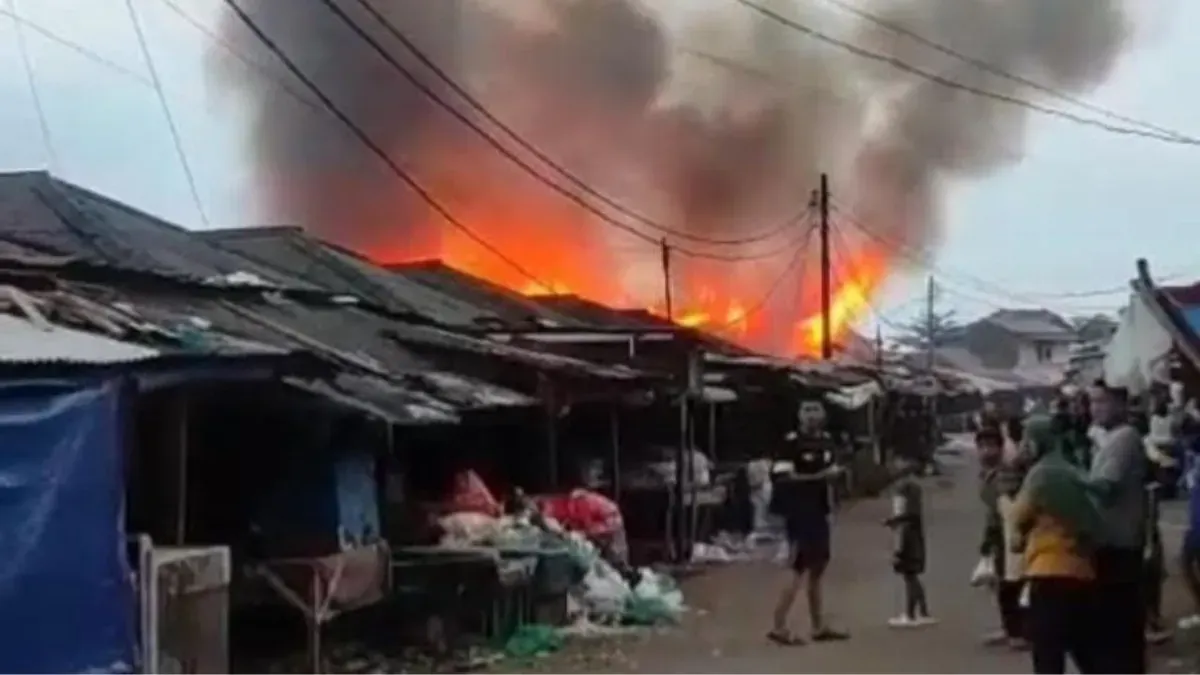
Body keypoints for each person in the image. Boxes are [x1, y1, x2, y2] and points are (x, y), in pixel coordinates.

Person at [1012, 414, 1105, 674]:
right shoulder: (1071, 469)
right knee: (1086, 652)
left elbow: (1018, 520)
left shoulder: (1040, 476)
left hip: (1048, 573)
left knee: (1048, 657)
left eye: (1026, 440)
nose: (1022, 446)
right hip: (1082, 572)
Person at [768, 401, 850, 646]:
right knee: (798, 567)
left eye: (817, 410)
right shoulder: (790, 444)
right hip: (799, 513)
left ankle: (818, 626)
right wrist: (819, 477)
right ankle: (779, 626)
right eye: (807, 410)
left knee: (818, 568)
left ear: (824, 415)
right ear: (799, 415)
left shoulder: (826, 442)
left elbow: (832, 474)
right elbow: (784, 478)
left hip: (819, 512)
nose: (813, 415)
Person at [1086, 382, 1149, 673]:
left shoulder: (1124, 437)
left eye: (1103, 401)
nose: (1095, 408)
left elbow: (1105, 487)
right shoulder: (1111, 437)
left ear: (1121, 405)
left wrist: (1069, 480)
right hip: (1113, 543)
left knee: (1119, 628)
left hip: (1119, 545)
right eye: (1093, 401)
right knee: (1114, 627)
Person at [978, 425, 1028, 648]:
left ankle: (1019, 632)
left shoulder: (1006, 473)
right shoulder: (985, 475)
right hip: (998, 533)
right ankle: (1010, 629)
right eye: (981, 447)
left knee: (1013, 583)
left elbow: (1010, 507)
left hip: (1011, 535)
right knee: (1001, 583)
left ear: (1000, 448)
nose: (986, 452)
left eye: (991, 446)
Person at [885, 458, 935, 627]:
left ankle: (910, 613)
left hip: (908, 536)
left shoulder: (907, 490)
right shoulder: (911, 489)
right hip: (910, 534)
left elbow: (908, 515)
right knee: (912, 576)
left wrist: (893, 521)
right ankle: (923, 611)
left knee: (909, 576)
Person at [1177, 442, 1200, 630]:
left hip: (1198, 524)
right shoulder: (1193, 463)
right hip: (1195, 521)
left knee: (1186, 563)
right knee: (1188, 564)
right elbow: (1184, 484)